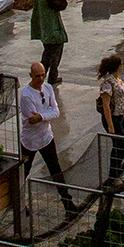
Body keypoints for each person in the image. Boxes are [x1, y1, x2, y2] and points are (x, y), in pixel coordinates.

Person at [19, 61, 78, 215]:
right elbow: (32, 119)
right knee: (23, 174)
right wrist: (46, 115)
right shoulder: (26, 95)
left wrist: (43, 116)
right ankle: (18, 206)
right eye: (37, 75)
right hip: (30, 141)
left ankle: (68, 203)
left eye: (43, 75)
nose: (41, 78)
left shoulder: (48, 88)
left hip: (46, 138)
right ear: (31, 75)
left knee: (56, 170)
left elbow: (56, 112)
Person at [97, 54, 124, 183]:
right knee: (121, 146)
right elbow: (106, 104)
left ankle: (115, 174)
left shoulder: (117, 80)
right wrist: (110, 125)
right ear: (118, 66)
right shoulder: (108, 83)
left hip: (120, 117)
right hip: (113, 118)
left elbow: (120, 98)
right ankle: (113, 176)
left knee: (119, 146)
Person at [30, 0, 68, 85]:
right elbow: (62, 5)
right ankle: (52, 77)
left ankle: (41, 75)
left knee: (47, 55)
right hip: (53, 32)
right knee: (54, 57)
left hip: (46, 32)